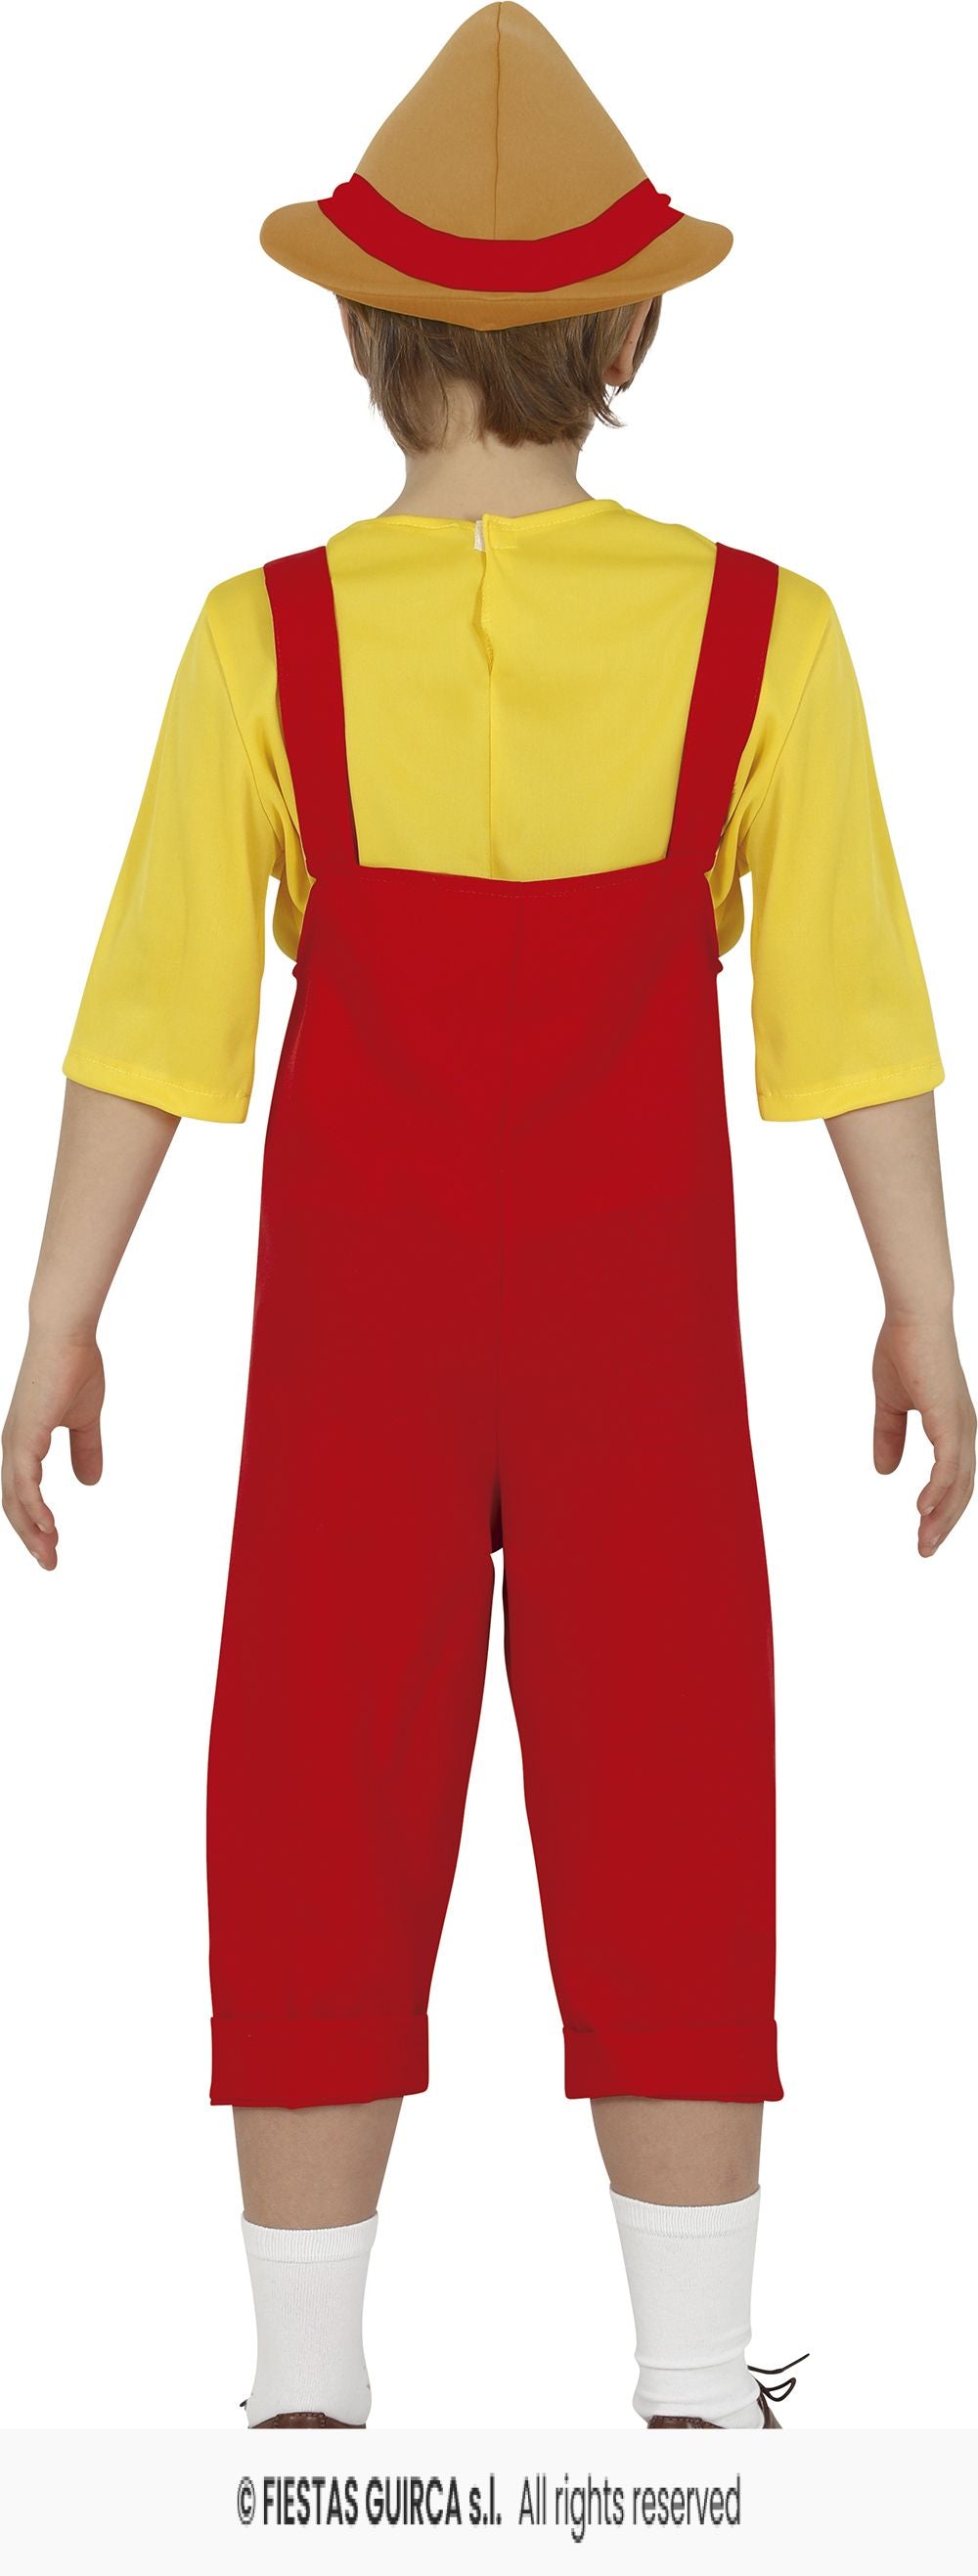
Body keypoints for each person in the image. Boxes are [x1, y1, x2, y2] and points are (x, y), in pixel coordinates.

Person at [2, 3, 973, 2434]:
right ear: (630, 335)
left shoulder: (262, 632)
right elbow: (848, 1009)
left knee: (309, 1764)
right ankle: (693, 2384)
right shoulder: (763, 629)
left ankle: (300, 2393)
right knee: (674, 1763)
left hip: (363, 1319)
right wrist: (920, 1310)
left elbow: (154, 1013)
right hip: (639, 1318)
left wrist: (58, 1319)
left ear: (360, 331)